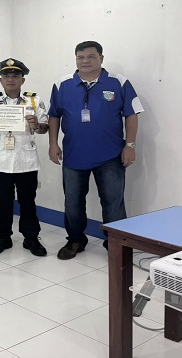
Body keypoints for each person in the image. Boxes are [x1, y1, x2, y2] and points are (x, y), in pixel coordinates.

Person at [48, 41, 144, 260]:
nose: (85, 61)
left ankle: (116, 244)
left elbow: (131, 114)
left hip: (110, 156)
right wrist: (53, 144)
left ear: (101, 58)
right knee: (73, 203)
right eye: (80, 57)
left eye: (91, 56)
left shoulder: (119, 82)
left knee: (113, 203)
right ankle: (75, 240)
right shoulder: (62, 84)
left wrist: (130, 145)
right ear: (75, 60)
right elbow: (54, 115)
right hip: (74, 155)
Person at [0, 59, 49, 257]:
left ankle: (31, 238)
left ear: (22, 80)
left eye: (15, 76)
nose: (11, 79)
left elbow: (44, 128)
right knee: (3, 202)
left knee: (28, 201)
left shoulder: (34, 100)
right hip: (0, 160)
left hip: (26, 160)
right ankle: (3, 238)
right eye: (6, 76)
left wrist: (36, 125)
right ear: (1, 80)